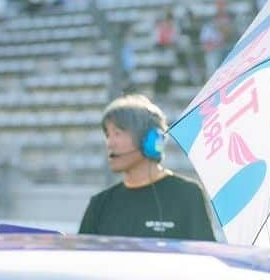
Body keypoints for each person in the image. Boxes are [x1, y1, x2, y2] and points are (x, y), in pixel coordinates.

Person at [79, 94, 216, 240]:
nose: (110, 143)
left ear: (150, 140)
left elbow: (203, 258)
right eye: (107, 135)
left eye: (117, 133)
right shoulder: (100, 204)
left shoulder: (188, 195)